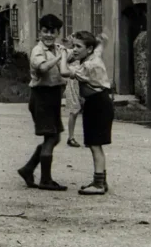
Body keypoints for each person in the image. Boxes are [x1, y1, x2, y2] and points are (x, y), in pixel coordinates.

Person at [17, 14, 71, 191]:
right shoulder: (38, 51)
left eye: (52, 32)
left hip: (54, 96)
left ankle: (28, 169)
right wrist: (60, 57)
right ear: (39, 31)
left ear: (58, 32)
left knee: (55, 137)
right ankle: (45, 180)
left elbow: (72, 56)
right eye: (45, 31)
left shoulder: (58, 48)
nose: (48, 35)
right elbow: (43, 67)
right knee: (50, 137)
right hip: (41, 97)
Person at [65, 32, 114, 195]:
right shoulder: (93, 55)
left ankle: (99, 184)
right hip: (97, 102)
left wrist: (62, 57)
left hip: (98, 103)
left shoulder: (88, 66)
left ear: (89, 48)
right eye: (73, 46)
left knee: (95, 144)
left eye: (79, 46)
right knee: (94, 143)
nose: (75, 49)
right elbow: (100, 47)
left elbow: (65, 72)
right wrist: (101, 41)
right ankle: (100, 180)